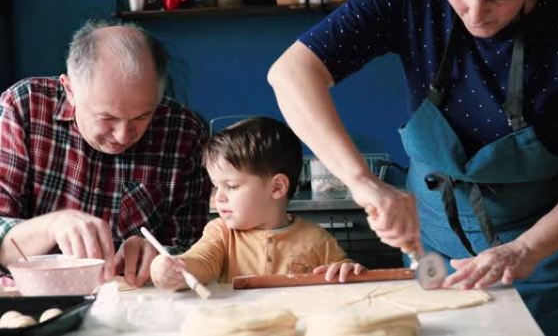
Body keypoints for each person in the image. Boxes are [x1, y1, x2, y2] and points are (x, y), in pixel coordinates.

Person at [267, 0, 558, 334]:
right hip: (433, 252)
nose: (475, 15)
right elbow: (291, 73)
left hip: (543, 257)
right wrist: (364, 184)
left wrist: (526, 249)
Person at [0, 20, 212, 287]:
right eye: (107, 117)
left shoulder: (184, 132)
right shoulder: (24, 109)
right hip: (32, 302)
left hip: (135, 303)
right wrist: (53, 226)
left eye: (142, 116)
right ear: (70, 90)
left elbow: (195, 250)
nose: (124, 135)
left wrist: (160, 255)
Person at [150, 116, 366, 290]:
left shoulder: (318, 240)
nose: (219, 197)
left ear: (277, 188)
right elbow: (200, 261)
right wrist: (177, 269)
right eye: (216, 185)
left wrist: (347, 271)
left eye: (232, 186)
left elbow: (347, 276)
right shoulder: (221, 234)